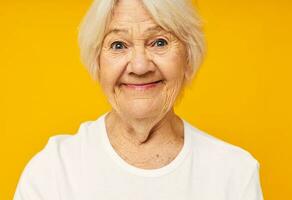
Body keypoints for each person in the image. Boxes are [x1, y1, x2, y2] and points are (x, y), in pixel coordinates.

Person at [13, 0, 264, 199]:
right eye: (119, 45)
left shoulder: (235, 172)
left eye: (159, 42)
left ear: (187, 58)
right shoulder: (53, 171)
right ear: (97, 62)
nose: (140, 66)